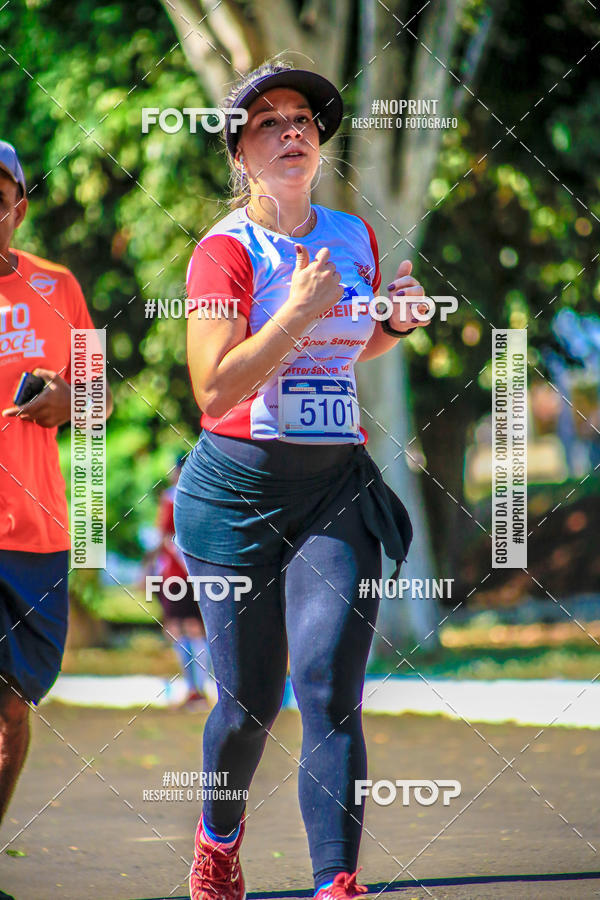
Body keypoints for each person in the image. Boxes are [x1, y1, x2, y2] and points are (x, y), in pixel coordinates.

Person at [173, 62, 430, 900]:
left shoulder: (353, 234)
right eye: (268, 121)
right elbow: (214, 389)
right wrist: (296, 312)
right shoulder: (223, 253)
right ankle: (218, 838)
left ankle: (337, 882)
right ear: (240, 154)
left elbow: (354, 346)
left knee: (328, 688)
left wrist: (390, 319)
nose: (292, 130)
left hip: (334, 492)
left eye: (305, 120)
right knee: (248, 704)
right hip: (236, 499)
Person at [0, 141, 113, 854]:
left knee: (11, 712)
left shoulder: (58, 286)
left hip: (35, 532)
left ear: (18, 206)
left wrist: (69, 398)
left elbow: (100, 397)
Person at [149, 455, 212, 708]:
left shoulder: (171, 497)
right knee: (197, 628)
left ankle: (192, 689)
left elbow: (161, 535)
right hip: (202, 571)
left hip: (175, 574)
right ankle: (198, 689)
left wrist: (147, 567)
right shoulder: (207, 494)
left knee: (178, 627)